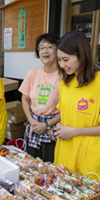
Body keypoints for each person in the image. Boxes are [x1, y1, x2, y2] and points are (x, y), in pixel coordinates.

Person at [54, 31, 100, 187]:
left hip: (88, 157)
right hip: (64, 153)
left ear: (81, 56)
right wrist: (59, 126)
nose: (62, 65)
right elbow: (66, 115)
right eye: (59, 60)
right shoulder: (65, 83)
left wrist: (75, 131)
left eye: (66, 60)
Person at [18, 33, 62, 162]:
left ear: (58, 49)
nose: (45, 51)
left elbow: (68, 108)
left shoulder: (64, 76)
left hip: (53, 130)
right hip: (34, 128)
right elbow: (25, 98)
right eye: (41, 47)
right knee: (30, 168)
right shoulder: (32, 73)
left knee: (50, 170)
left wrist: (47, 124)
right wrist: (32, 121)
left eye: (49, 46)